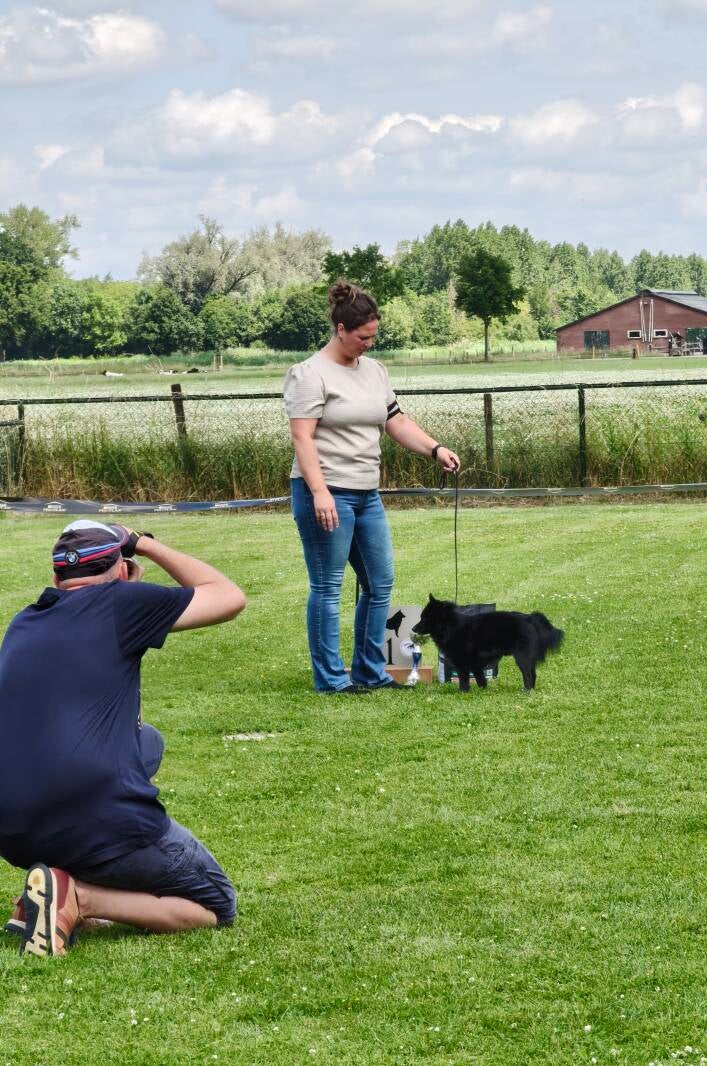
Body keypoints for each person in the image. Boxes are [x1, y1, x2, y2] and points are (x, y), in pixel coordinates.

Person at [0, 519, 246, 957]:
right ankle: (77, 896)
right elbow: (229, 597)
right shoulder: (120, 600)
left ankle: (47, 886)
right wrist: (147, 546)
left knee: (148, 743)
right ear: (121, 571)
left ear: (57, 578)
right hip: (89, 812)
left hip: (14, 827)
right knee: (215, 902)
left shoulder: (24, 621)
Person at [283, 280, 460, 694]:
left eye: (373, 336)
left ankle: (369, 670)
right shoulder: (309, 374)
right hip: (325, 493)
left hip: (367, 494)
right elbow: (302, 438)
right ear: (341, 329)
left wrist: (434, 449)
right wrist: (321, 492)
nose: (368, 343)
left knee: (379, 583)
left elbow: (395, 421)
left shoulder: (376, 371)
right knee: (327, 586)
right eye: (363, 337)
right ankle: (330, 678)